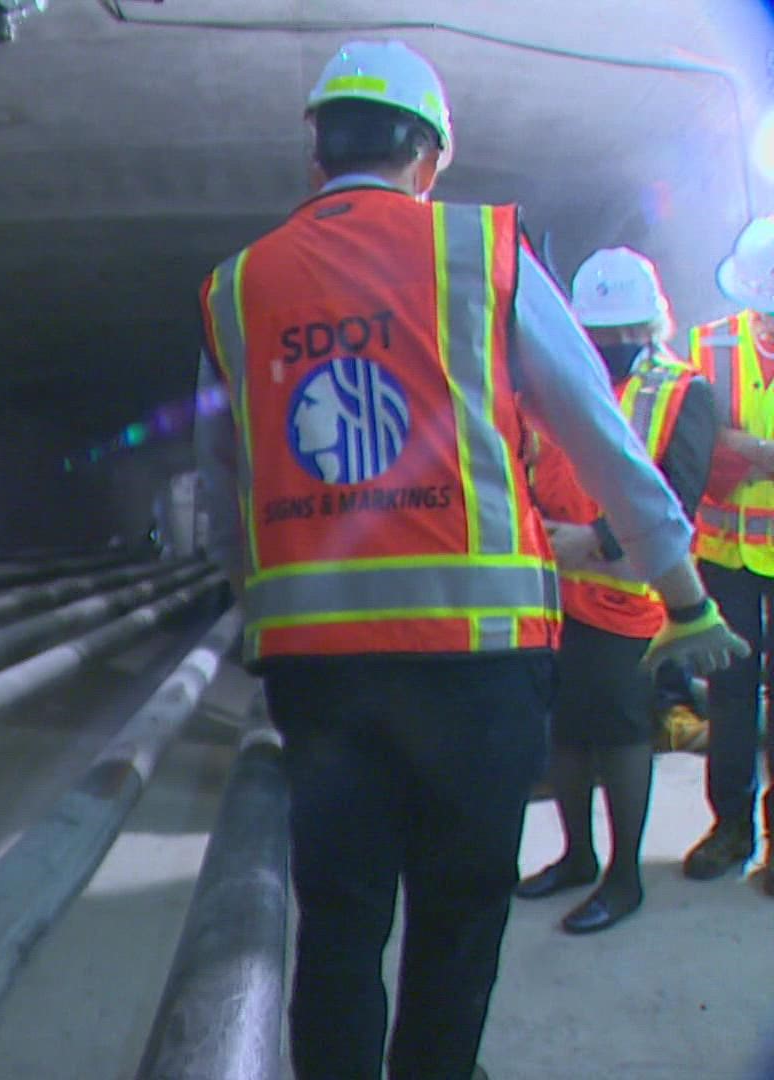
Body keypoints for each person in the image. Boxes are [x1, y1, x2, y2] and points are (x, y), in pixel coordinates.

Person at [194, 41, 747, 1080]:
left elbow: (227, 495)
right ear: (431, 156)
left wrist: (259, 605)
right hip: (476, 669)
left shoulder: (235, 290)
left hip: (319, 675)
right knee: (456, 922)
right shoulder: (482, 254)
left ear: (317, 154)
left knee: (342, 923)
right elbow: (600, 437)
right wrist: (683, 595)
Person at [516, 247, 716, 934]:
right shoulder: (550, 383)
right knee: (566, 731)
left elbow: (677, 502)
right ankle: (576, 856)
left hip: (628, 590)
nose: (615, 346)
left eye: (627, 332)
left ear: (653, 325)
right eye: (604, 334)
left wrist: (594, 543)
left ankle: (623, 877)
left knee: (622, 732)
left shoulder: (686, 392)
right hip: (552, 594)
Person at [682, 214, 774, 892]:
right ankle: (731, 827)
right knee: (731, 693)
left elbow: (734, 444)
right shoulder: (705, 348)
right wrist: (733, 453)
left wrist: (759, 453)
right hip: (726, 550)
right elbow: (684, 440)